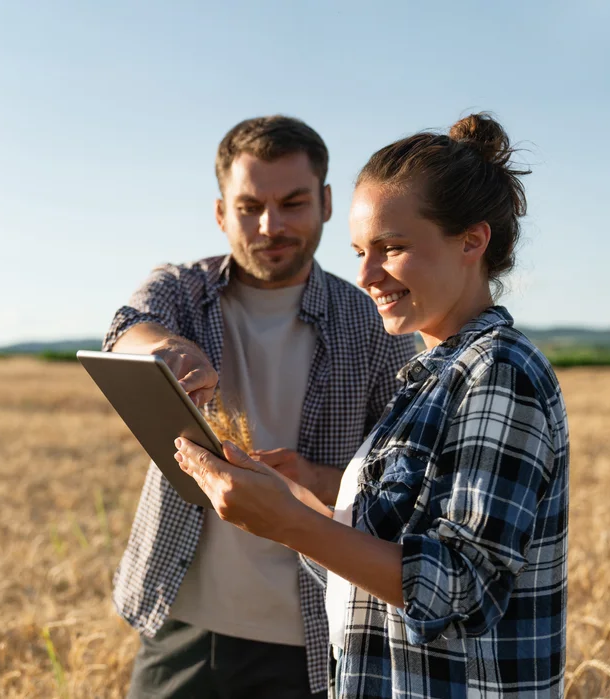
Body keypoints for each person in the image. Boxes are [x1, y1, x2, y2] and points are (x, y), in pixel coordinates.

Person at [173, 112, 570, 698]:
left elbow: (463, 589)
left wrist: (288, 522)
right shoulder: (428, 378)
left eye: (392, 247)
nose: (365, 273)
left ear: (472, 241)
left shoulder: (500, 372)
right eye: (360, 249)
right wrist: (287, 500)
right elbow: (373, 574)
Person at [102, 115, 418, 698]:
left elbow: (405, 484)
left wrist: (313, 481)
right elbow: (127, 329)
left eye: (293, 203)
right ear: (221, 213)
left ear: (326, 203)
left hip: (316, 632)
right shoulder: (183, 290)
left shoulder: (375, 322)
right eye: (249, 207)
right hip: (183, 619)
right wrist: (166, 349)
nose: (271, 226)